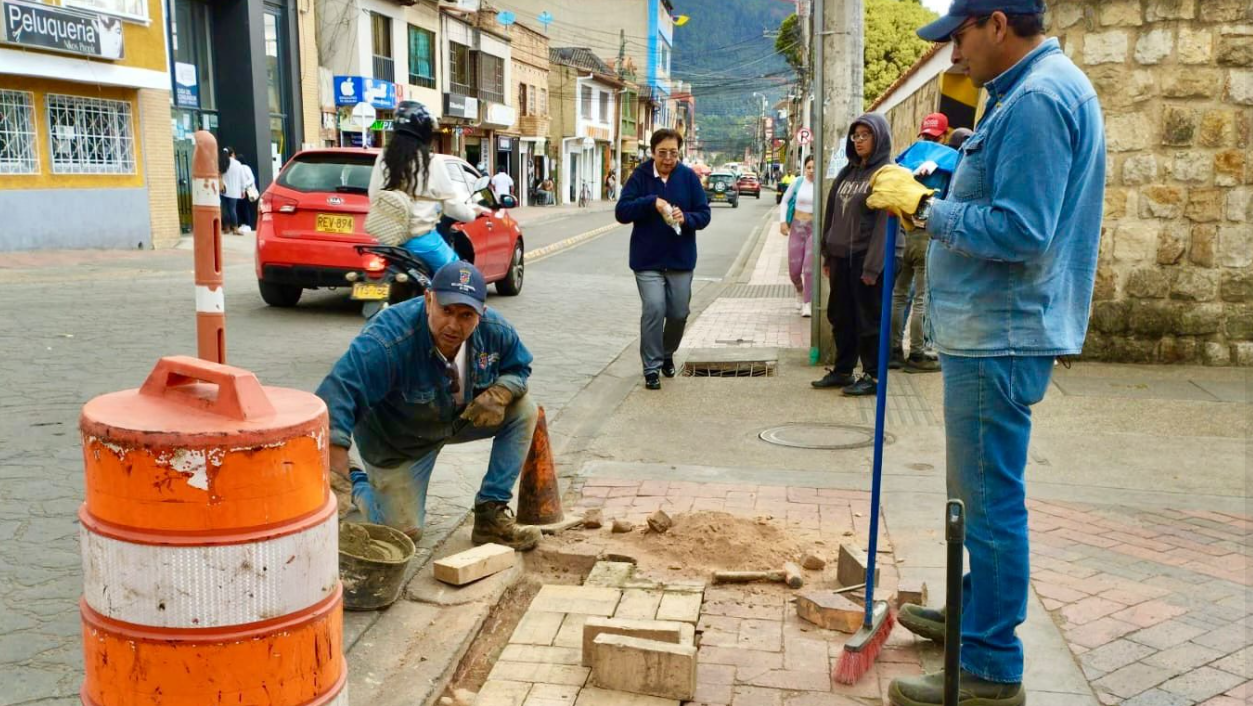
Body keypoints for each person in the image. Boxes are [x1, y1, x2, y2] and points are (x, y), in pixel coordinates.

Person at [872, 3, 1106, 704]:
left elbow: (1022, 229)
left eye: (958, 37)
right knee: (974, 496)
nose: (951, 56)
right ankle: (973, 616)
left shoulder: (1036, 100)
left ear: (997, 24)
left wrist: (923, 208)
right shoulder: (1028, 95)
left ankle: (989, 668)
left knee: (990, 501)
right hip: (995, 328)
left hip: (999, 331)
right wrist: (954, 167)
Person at [316, 261, 543, 551]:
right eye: (446, 310)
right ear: (428, 300)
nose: (453, 324)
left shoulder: (494, 330)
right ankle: (359, 480)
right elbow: (337, 392)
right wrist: (335, 459)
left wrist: (501, 391)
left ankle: (490, 516)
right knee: (402, 533)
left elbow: (519, 367)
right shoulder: (387, 340)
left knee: (524, 409)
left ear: (480, 315)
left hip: (455, 419)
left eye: (465, 315)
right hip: (396, 442)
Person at [810, 113, 902, 397]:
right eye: (855, 136)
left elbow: (885, 225)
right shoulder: (848, 172)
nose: (859, 141)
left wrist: (873, 267)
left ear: (880, 137)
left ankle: (873, 376)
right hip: (842, 258)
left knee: (870, 319)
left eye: (865, 135)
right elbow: (832, 213)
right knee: (841, 315)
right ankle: (843, 370)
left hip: (869, 259)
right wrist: (827, 253)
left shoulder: (887, 173)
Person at [615, 128, 712, 391]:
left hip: (680, 260)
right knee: (654, 309)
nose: (668, 158)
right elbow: (622, 212)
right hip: (647, 260)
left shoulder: (688, 178)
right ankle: (651, 368)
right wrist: (653, 203)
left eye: (673, 153)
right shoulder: (640, 176)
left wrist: (686, 218)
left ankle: (667, 353)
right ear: (652, 152)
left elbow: (704, 214)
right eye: (662, 153)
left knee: (679, 312)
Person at [368, 101, 484, 273]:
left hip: (387, 241)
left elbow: (373, 196)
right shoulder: (432, 162)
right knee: (457, 275)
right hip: (421, 241)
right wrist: (471, 213)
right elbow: (451, 205)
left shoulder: (383, 158)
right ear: (425, 131)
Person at [888, 117, 961, 373]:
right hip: (927, 234)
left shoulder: (910, 154)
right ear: (944, 134)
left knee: (898, 295)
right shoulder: (951, 158)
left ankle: (893, 352)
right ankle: (918, 354)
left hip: (899, 234)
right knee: (922, 298)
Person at [778, 155, 816, 318]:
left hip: (813, 229)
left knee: (809, 268)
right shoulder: (798, 182)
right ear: (804, 168)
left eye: (815, 167)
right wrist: (782, 222)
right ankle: (799, 291)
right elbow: (785, 201)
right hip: (796, 226)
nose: (811, 171)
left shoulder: (822, 185)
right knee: (794, 270)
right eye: (808, 167)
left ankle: (807, 302)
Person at [219, 147, 244, 235]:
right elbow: (242, 178)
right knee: (232, 209)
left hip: (223, 190)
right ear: (232, 154)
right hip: (234, 191)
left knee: (225, 209)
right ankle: (235, 228)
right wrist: (243, 190)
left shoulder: (222, 163)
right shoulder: (238, 164)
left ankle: (227, 227)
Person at [235, 152, 257, 232]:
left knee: (244, 207)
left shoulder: (245, 167)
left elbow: (251, 178)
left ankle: (247, 224)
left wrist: (244, 185)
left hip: (246, 191)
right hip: (241, 190)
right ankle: (244, 224)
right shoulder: (240, 168)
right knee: (242, 207)